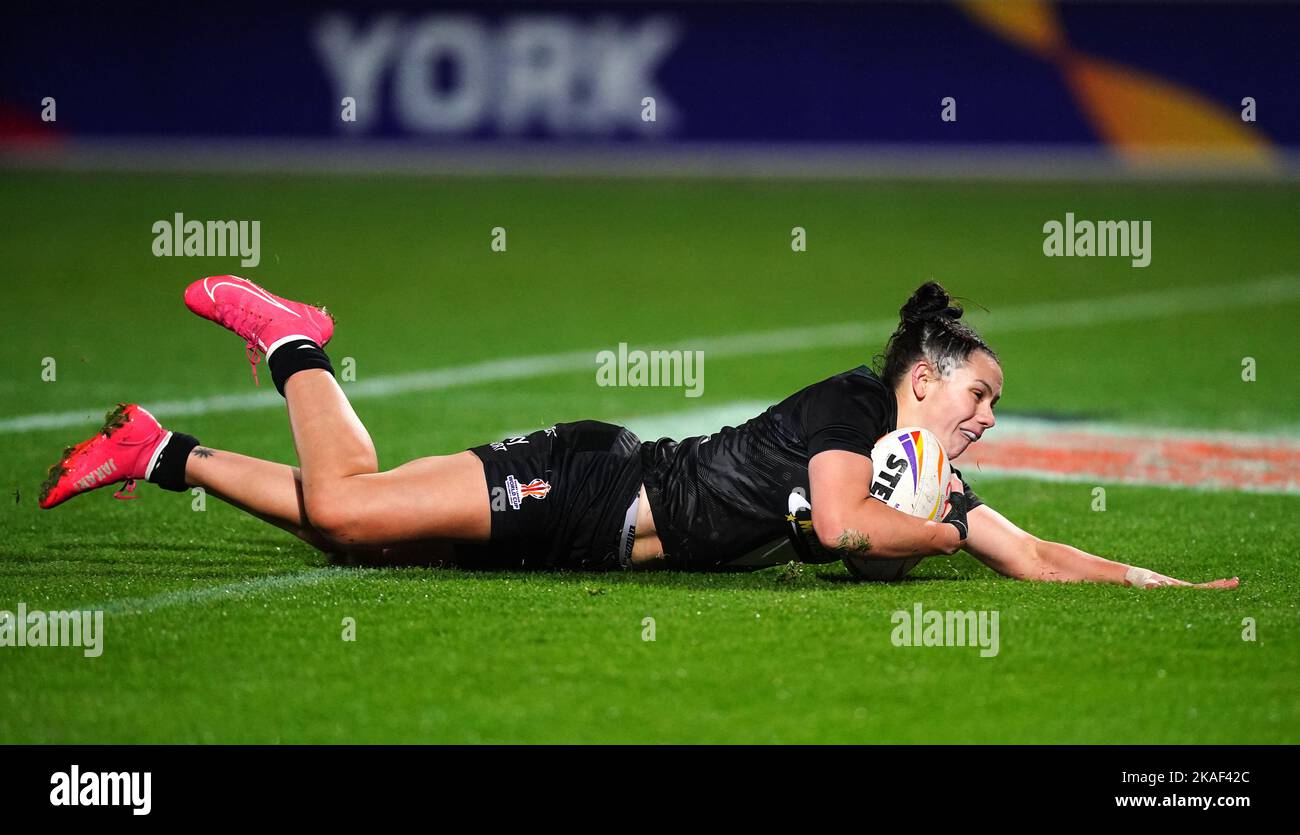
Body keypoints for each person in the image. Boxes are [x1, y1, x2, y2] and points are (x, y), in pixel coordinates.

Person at [39, 276, 1238, 589]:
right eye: (979, 395)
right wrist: (928, 532)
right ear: (922, 381)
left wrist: (1165, 583)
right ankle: (290, 338)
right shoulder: (851, 408)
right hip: (589, 482)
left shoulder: (918, 478)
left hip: (590, 544)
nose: (988, 417)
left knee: (357, 538)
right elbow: (842, 527)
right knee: (353, 507)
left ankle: (157, 449)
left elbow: (1034, 555)